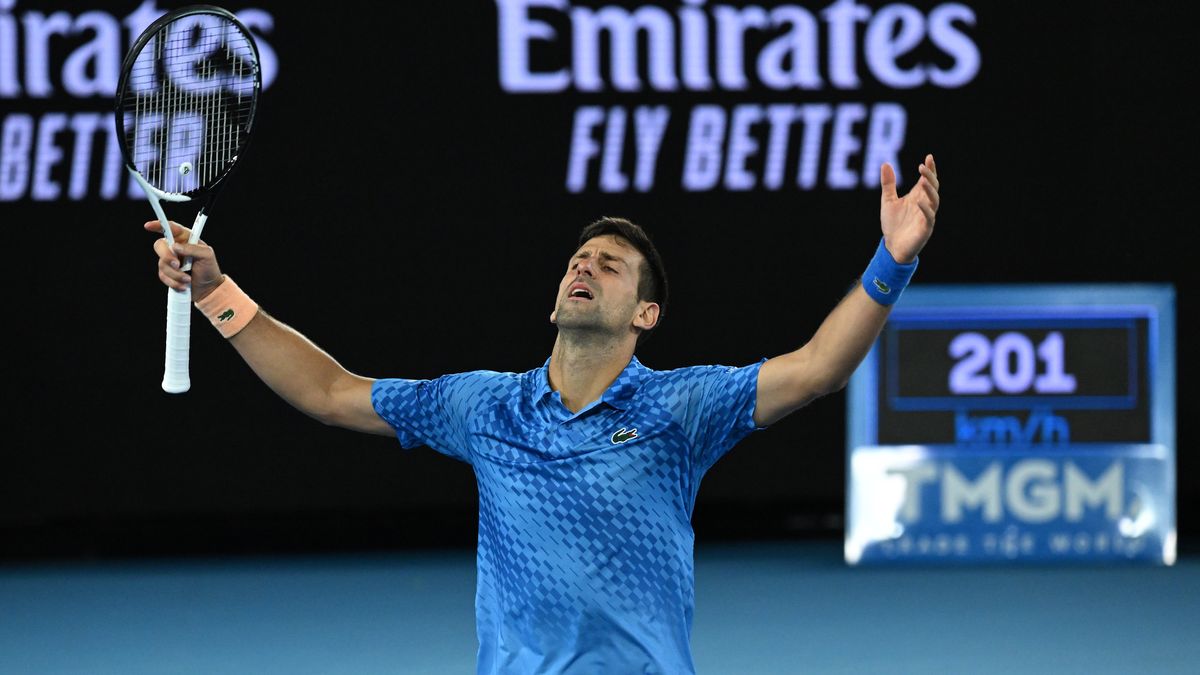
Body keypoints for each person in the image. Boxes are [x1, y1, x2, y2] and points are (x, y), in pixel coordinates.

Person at [147, 156, 940, 674]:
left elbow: (818, 368)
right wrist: (218, 292)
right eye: (576, 260)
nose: (583, 267)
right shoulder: (482, 404)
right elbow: (329, 392)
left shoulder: (682, 405)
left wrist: (891, 259)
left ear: (646, 314)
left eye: (609, 264)